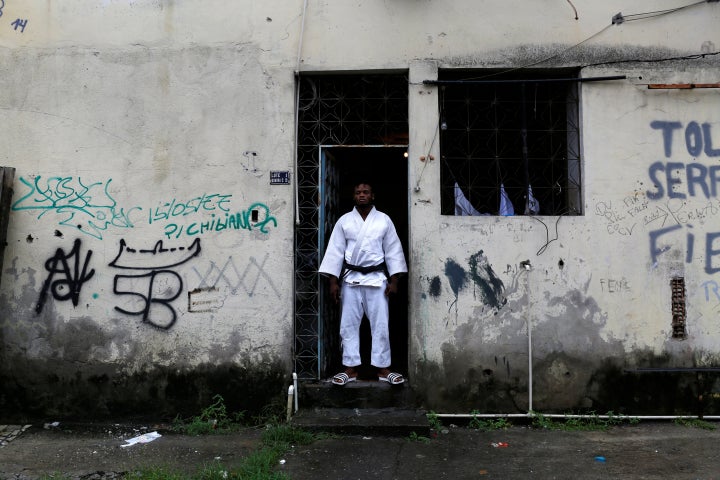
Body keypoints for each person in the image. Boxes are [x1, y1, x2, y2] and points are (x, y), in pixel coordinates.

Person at [319, 180, 408, 386]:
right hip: (351, 280)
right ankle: (350, 369)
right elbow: (335, 251)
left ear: (372, 196)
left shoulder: (384, 220)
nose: (361, 195)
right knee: (348, 325)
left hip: (377, 280)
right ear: (354, 196)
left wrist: (394, 280)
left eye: (365, 192)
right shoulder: (345, 221)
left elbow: (393, 250)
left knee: (381, 325)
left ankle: (383, 368)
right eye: (358, 192)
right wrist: (334, 281)